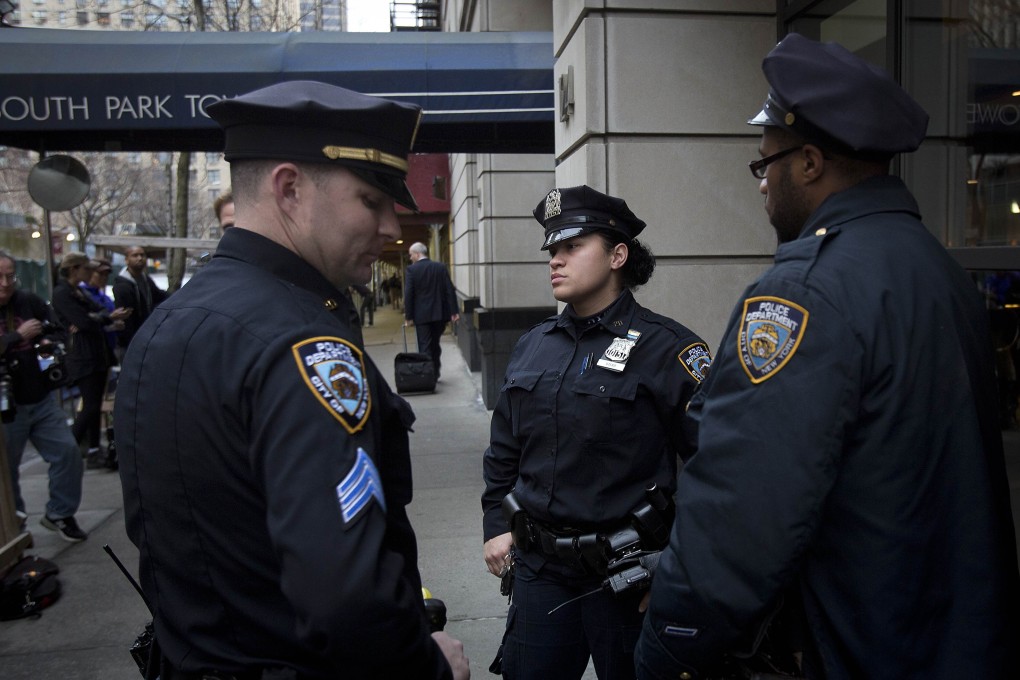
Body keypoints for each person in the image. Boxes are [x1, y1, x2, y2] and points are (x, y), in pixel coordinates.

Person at [635, 33, 1020, 680]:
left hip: (862, 641)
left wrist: (669, 645)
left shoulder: (805, 290)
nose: (761, 186)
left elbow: (743, 506)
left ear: (809, 163)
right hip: (953, 633)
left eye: (765, 166)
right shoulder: (934, 266)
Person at [116, 80, 470, 680]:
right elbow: (346, 593)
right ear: (289, 189)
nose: (391, 226)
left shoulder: (168, 322)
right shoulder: (305, 344)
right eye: (369, 199)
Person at [481, 186, 712, 680]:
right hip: (541, 570)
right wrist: (495, 524)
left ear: (617, 255)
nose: (555, 261)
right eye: (551, 250)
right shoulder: (532, 346)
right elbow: (504, 447)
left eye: (571, 247)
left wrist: (677, 567)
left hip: (628, 574)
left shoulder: (668, 349)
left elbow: (713, 466)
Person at [0, 252, 87, 542]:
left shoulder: (28, 301)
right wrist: (17, 336)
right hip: (7, 408)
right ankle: (16, 527)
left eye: (10, 276)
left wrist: (48, 344)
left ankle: (60, 513)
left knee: (67, 452)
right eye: (0, 277)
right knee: (6, 474)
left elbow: (58, 329)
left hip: (40, 398)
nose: (5, 284)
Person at [51, 253, 130, 471]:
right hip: (82, 356)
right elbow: (84, 320)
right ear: (74, 269)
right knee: (91, 405)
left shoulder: (78, 291)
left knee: (93, 406)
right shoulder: (63, 293)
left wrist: (100, 319)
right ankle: (68, 448)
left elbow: (96, 313)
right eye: (87, 269)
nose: (90, 273)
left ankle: (93, 449)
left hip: (97, 353)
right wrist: (103, 320)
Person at [403, 242, 459, 379]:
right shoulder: (440, 267)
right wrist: (454, 311)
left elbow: (409, 294)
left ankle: (427, 375)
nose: (410, 258)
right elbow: (449, 289)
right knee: (435, 343)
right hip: (439, 314)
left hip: (421, 316)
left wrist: (408, 317)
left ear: (417, 254)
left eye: (411, 255)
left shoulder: (412, 270)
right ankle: (435, 370)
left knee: (424, 345)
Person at [112, 245, 167, 353]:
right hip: (130, 342)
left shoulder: (146, 280)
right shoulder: (122, 286)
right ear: (127, 260)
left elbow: (159, 296)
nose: (140, 258)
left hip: (146, 336)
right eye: (135, 255)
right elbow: (126, 318)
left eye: (142, 255)